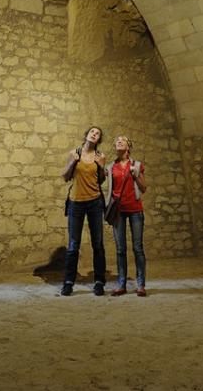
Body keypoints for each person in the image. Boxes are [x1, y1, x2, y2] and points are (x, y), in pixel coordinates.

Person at [59, 126, 107, 296]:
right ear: (86, 135)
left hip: (94, 203)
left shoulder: (100, 157)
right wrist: (73, 161)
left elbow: (100, 180)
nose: (94, 135)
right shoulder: (74, 153)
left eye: (98, 134)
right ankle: (68, 282)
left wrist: (101, 167)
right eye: (92, 132)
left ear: (99, 139)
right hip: (75, 203)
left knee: (98, 244)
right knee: (73, 245)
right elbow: (65, 176)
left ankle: (99, 281)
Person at [107, 135, 148, 297]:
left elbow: (144, 188)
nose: (118, 141)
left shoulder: (136, 165)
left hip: (135, 210)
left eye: (122, 140)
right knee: (120, 249)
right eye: (116, 140)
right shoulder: (111, 167)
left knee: (137, 248)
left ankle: (141, 285)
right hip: (118, 212)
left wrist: (135, 174)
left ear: (128, 147)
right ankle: (121, 284)